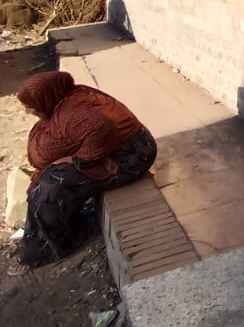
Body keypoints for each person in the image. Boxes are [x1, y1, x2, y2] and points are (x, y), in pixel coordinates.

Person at [7, 71, 157, 276]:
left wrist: (78, 159)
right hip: (114, 150)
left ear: (47, 97)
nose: (27, 111)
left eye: (30, 106)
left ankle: (47, 249)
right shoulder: (65, 103)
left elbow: (101, 127)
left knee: (50, 187)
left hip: (131, 156)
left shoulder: (79, 113)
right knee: (52, 177)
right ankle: (59, 231)